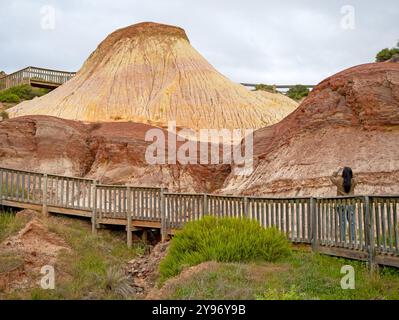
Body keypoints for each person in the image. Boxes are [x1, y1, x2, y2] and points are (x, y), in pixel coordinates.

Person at [330, 167, 357, 242]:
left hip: (341, 204)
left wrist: (337, 171)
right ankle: (352, 239)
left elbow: (331, 178)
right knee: (351, 221)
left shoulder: (339, 180)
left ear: (343, 173)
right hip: (350, 204)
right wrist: (351, 173)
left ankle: (343, 239)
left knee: (342, 222)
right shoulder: (353, 181)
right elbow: (356, 178)